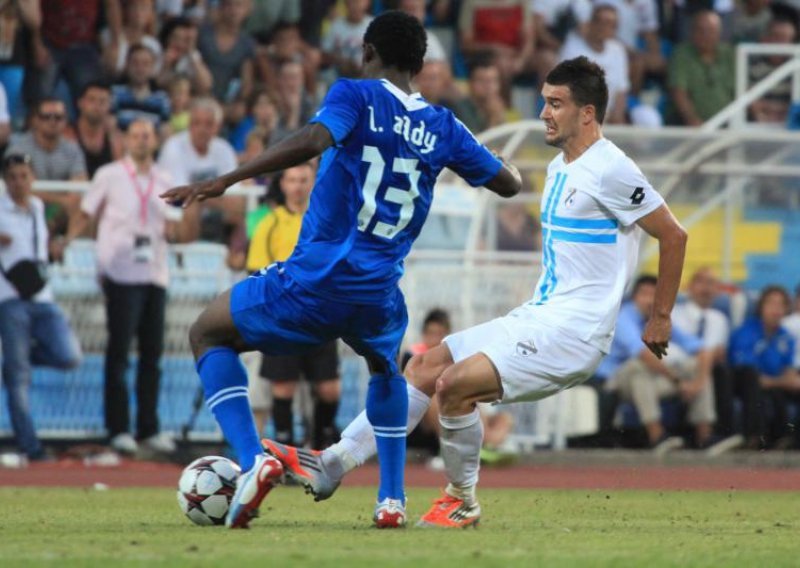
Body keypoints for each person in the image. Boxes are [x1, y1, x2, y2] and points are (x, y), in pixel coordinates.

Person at [260, 56, 688, 529]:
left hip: (576, 333)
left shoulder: (612, 168)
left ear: (587, 113)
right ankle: (333, 463)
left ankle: (461, 498)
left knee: (455, 386)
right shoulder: (561, 166)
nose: (544, 113)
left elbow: (674, 235)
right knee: (423, 367)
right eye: (545, 101)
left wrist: (660, 316)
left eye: (556, 104)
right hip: (540, 316)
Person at [161, 10, 521, 529]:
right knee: (386, 370)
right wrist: (492, 158)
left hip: (317, 278)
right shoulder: (444, 125)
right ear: (420, 65)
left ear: (367, 53)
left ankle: (252, 459)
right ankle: (391, 500)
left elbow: (313, 140)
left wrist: (226, 179)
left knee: (207, 332)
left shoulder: (355, 94)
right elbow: (507, 184)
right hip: (377, 291)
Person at [62, 119, 198, 456]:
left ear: (154, 141)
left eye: (146, 135)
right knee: (119, 353)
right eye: (135, 135)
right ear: (124, 140)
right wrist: (66, 241)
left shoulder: (165, 178)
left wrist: (179, 225)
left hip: (155, 272)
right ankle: (118, 428)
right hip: (120, 272)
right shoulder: (109, 174)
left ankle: (148, 428)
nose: (141, 141)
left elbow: (179, 228)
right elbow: (86, 212)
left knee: (152, 355)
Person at [245, 162, 342, 451]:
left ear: (313, 183)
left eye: (303, 180)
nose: (298, 186)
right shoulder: (270, 223)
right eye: (292, 180)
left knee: (329, 389)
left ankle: (321, 446)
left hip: (320, 315)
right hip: (284, 316)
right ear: (283, 184)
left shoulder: (327, 219)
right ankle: (284, 449)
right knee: (283, 386)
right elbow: (256, 272)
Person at [0, 153, 82, 462]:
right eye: (13, 177)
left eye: (24, 176)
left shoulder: (36, 207)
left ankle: (15, 360)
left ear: (32, 178)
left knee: (69, 355)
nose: (19, 182)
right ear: (5, 181)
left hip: (42, 296)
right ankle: (31, 447)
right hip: (10, 297)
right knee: (19, 379)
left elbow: (71, 210)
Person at [602, 275, 716, 451]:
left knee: (695, 365)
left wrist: (697, 384)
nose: (650, 300)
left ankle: (705, 437)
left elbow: (703, 350)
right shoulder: (624, 316)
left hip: (648, 381)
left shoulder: (658, 320)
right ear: (634, 297)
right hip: (615, 382)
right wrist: (678, 381)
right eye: (644, 294)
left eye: (654, 295)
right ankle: (656, 435)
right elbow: (643, 355)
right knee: (637, 366)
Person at [672, 267, 754, 453]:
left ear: (717, 290)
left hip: (706, 368)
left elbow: (719, 353)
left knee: (731, 371)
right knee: (706, 366)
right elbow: (680, 351)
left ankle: (740, 436)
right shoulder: (674, 313)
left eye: (711, 284)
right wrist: (704, 357)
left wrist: (705, 358)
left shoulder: (720, 319)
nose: (706, 288)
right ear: (689, 286)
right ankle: (706, 436)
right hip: (678, 368)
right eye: (701, 282)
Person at [729, 286, 799, 449]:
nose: (776, 309)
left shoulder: (786, 337)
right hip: (742, 383)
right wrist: (781, 381)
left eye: (781, 305)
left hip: (773, 385)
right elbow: (749, 372)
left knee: (780, 392)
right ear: (761, 307)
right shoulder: (746, 331)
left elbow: (789, 373)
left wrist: (782, 381)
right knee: (753, 380)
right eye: (772, 304)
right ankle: (753, 437)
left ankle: (790, 440)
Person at [70, 82, 124, 178]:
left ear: (109, 105)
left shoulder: (115, 138)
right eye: (92, 100)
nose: (97, 106)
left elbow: (120, 172)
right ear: (80, 103)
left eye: (102, 101)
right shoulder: (68, 133)